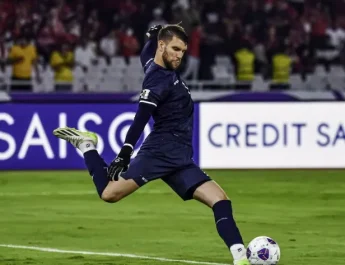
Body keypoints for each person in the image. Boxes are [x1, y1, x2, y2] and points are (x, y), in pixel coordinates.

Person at [53, 24, 250, 265]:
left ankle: (241, 257)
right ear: (163, 45)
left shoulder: (155, 64)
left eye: (183, 51)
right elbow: (141, 117)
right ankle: (87, 145)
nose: (179, 55)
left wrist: (149, 37)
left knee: (220, 200)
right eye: (175, 49)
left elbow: (145, 54)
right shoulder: (158, 79)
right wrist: (125, 151)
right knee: (109, 194)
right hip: (159, 153)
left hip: (180, 158)